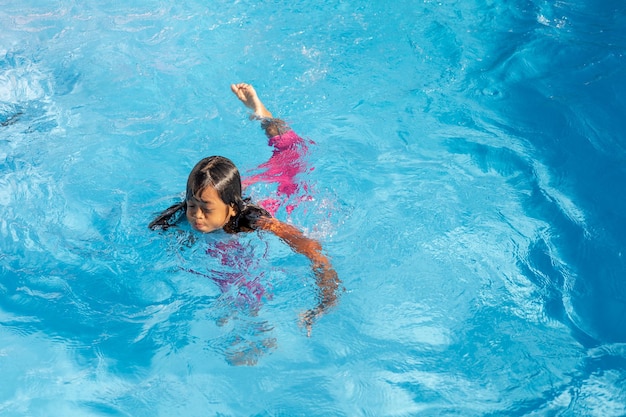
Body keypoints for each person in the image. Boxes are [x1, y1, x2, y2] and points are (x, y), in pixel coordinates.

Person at [149, 83, 340, 335]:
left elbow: (307, 245)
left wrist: (326, 291)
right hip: (235, 188)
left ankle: (259, 110)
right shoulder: (182, 213)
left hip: (277, 191)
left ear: (230, 209)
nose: (195, 215)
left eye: (205, 208)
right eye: (191, 205)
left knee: (288, 151)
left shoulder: (251, 219)